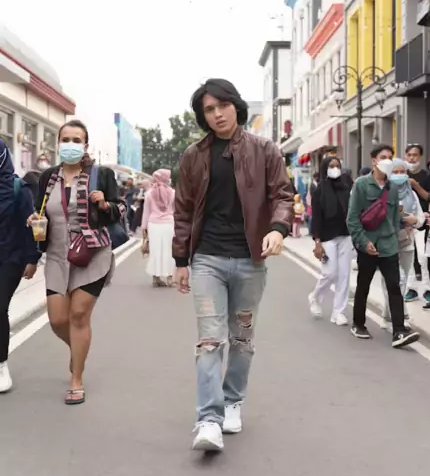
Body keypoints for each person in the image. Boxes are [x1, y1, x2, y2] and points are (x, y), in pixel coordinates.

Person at [173, 78, 294, 452]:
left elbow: (282, 195)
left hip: (249, 261)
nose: (217, 114)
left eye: (222, 105)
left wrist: (278, 229)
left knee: (241, 338)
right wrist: (180, 260)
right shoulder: (193, 156)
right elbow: (183, 209)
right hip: (207, 260)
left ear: (236, 106)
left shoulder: (264, 150)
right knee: (210, 340)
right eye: (209, 109)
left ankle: (233, 402)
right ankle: (209, 420)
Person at [29, 120, 125, 404]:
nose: (70, 145)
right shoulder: (48, 177)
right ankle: (78, 350)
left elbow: (121, 208)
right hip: (57, 255)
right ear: (58, 143)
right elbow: (40, 210)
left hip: (91, 253)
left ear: (85, 145)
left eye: (76, 140)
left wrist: (104, 204)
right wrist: (35, 221)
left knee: (79, 316)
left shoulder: (101, 175)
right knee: (58, 320)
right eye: (65, 139)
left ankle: (76, 378)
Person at [347, 143, 419, 348]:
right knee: (364, 285)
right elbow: (352, 219)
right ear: (374, 161)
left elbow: (395, 217)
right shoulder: (361, 185)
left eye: (390, 157)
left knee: (394, 287)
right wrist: (363, 242)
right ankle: (358, 324)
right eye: (383, 157)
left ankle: (399, 331)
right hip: (368, 244)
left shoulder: (393, 188)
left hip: (389, 245)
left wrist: (410, 223)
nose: (387, 160)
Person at [0, 140, 40, 393]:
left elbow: (30, 227)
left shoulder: (18, 189)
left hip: (11, 258)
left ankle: (1, 365)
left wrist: (32, 259)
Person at [308, 155, 352, 325]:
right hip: (327, 237)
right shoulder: (319, 191)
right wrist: (317, 242)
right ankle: (315, 297)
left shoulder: (346, 188)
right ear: (324, 169)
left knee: (344, 275)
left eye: (337, 166)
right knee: (330, 273)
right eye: (331, 166)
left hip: (345, 235)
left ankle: (338, 312)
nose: (335, 169)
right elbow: (316, 218)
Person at [381, 159, 424, 330]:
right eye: (395, 172)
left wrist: (415, 220)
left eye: (402, 172)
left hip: (407, 241)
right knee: (391, 280)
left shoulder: (412, 194)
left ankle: (388, 314)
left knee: (403, 279)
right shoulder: (383, 192)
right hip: (387, 242)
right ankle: (400, 315)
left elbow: (420, 218)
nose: (399, 175)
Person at [404, 143, 430, 304]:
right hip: (405, 222)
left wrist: (415, 185)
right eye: (409, 155)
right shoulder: (401, 174)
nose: (411, 158)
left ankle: (428, 289)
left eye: (415, 155)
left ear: (420, 157)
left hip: (422, 221)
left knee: (423, 256)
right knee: (408, 256)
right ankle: (411, 288)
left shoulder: (427, 176)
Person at [142, 169, 175, 287]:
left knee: (155, 250)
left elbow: (146, 212)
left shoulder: (149, 193)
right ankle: (170, 278)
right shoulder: (173, 193)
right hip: (168, 224)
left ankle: (155, 278)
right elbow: (176, 210)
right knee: (169, 251)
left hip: (153, 224)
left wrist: (144, 228)